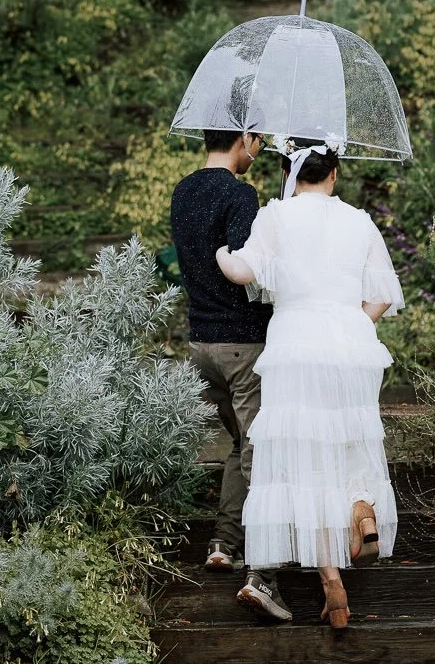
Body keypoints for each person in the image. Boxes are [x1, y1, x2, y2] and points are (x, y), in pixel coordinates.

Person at [215, 138, 404, 629]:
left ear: (289, 173)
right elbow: (383, 293)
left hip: (296, 345)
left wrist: (220, 252)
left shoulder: (276, 216)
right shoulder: (359, 221)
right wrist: (351, 324)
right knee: (348, 443)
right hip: (351, 343)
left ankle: (331, 580)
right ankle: (362, 508)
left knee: (304, 461)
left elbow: (243, 272)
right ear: (334, 173)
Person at [170, 128, 292, 624]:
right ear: (243, 138)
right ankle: (263, 572)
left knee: (241, 443)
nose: (257, 152)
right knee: (261, 451)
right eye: (257, 141)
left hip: (201, 344)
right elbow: (248, 270)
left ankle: (224, 541)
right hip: (243, 342)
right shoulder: (240, 195)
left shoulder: (183, 190)